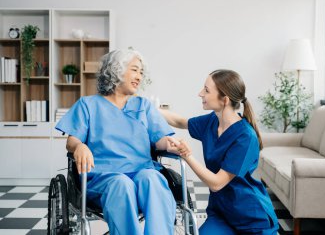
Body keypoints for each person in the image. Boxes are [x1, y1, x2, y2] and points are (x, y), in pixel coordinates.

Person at [55, 49, 179, 235]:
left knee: (153, 179)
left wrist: (170, 144)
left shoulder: (143, 106)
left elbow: (160, 140)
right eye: (135, 70)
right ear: (116, 70)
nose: (139, 77)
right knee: (121, 183)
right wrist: (80, 145)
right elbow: (72, 141)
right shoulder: (88, 105)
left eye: (141, 72)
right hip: (103, 177)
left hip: (142, 172)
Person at [161, 69, 279, 235]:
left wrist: (186, 155)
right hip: (222, 214)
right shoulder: (212, 121)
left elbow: (217, 183)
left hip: (251, 218)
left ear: (224, 99)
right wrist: (146, 106)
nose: (200, 94)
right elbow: (179, 121)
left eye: (207, 90)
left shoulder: (245, 136)